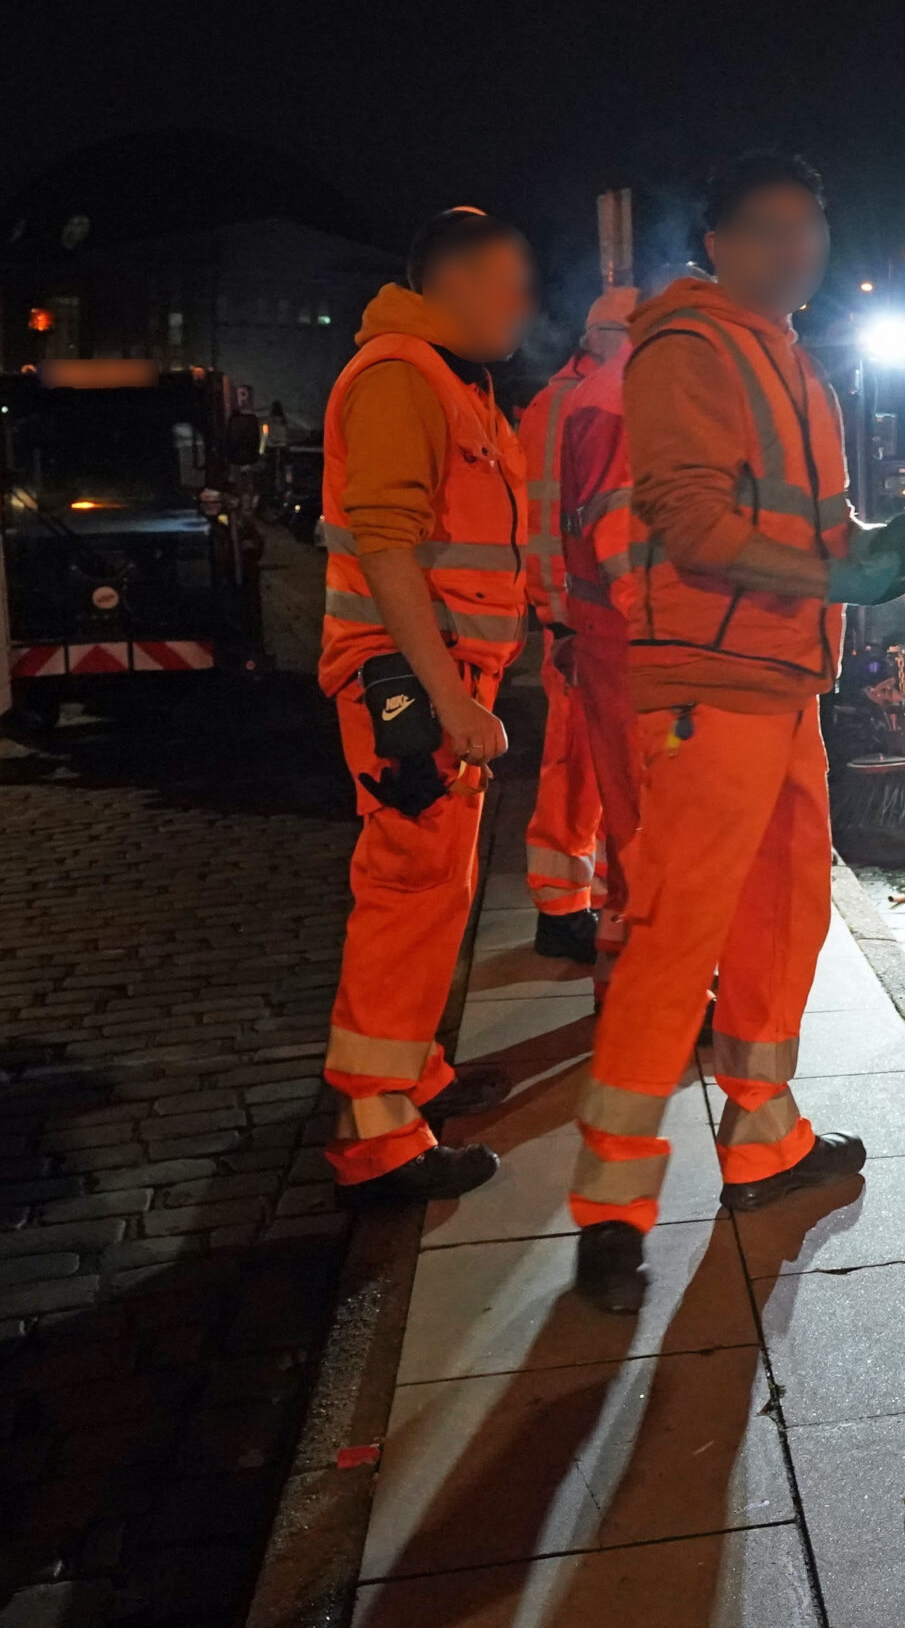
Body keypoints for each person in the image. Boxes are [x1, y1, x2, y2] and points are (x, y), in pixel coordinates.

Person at [568, 154, 905, 1310]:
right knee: (677, 933)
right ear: (719, 242)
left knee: (781, 923)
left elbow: (820, 528)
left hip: (782, 683)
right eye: (772, 228)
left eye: (813, 224)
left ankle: (763, 1140)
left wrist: (878, 545)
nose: (798, 247)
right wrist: (854, 566)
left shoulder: (793, 363)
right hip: (711, 679)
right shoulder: (691, 346)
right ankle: (611, 1206)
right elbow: (694, 525)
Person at [315, 207, 538, 1203]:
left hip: (432, 679)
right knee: (408, 892)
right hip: (408, 682)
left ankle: (410, 1078)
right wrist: (450, 699)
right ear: (451, 281)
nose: (526, 301)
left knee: (436, 889)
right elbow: (386, 545)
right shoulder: (403, 374)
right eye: (509, 281)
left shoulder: (448, 382)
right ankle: (375, 1129)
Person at [517, 289, 637, 966]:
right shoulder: (582, 403)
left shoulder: (566, 399)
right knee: (575, 766)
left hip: (576, 614)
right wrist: (559, 619)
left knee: (587, 769)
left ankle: (574, 900)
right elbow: (552, 526)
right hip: (581, 619)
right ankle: (564, 908)